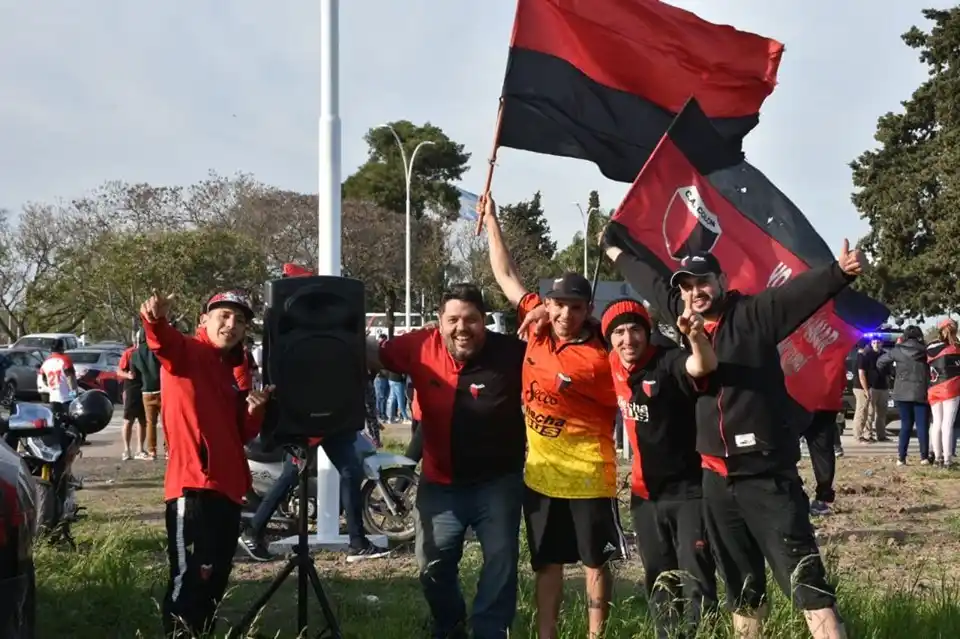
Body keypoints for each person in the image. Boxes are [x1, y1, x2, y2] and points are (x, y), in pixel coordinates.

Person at [577, 231, 865, 639]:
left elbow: (794, 296)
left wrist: (838, 272)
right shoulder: (684, 314)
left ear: (722, 280)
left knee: (807, 584)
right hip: (714, 480)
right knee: (742, 590)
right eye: (688, 286)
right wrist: (613, 249)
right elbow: (650, 281)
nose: (695, 292)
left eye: (703, 282)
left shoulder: (753, 315)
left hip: (765, 475)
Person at [481, 195, 624, 639]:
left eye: (575, 307)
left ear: (588, 310)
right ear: (547, 303)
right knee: (546, 562)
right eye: (557, 304)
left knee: (595, 564)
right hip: (541, 479)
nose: (564, 314)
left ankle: (595, 635)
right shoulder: (534, 326)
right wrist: (491, 222)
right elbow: (505, 275)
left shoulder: (603, 353)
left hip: (590, 479)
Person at [367, 283, 527, 639]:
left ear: (484, 321)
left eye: (470, 319)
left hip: (497, 482)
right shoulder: (419, 345)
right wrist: (335, 328)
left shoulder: (512, 353)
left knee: (501, 561)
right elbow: (374, 354)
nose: (461, 328)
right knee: (432, 565)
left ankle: (489, 629)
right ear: (438, 322)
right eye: (452, 319)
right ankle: (450, 623)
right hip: (440, 484)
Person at [140, 289, 273, 638]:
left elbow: (238, 434)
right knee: (190, 579)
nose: (231, 325)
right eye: (224, 316)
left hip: (228, 492)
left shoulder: (228, 371)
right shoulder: (187, 351)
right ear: (204, 321)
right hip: (193, 487)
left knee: (215, 580)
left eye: (240, 320)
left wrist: (253, 410)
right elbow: (161, 341)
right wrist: (154, 319)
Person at [237, 265, 390, 564]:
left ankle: (358, 542)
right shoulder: (286, 332)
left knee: (350, 470)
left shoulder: (332, 334)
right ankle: (253, 531)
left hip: (337, 417)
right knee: (291, 476)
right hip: (303, 418)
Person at [601, 297, 719, 639]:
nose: (628, 339)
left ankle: (701, 634)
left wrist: (696, 338)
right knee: (659, 579)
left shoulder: (667, 361)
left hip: (688, 493)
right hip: (644, 495)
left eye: (635, 330)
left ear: (647, 332)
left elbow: (702, 367)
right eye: (619, 332)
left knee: (696, 577)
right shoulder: (611, 361)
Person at [878, 325, 931, 466]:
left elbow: (880, 362)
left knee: (906, 425)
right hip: (921, 391)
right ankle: (924, 457)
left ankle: (901, 458)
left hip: (901, 391)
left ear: (905, 335)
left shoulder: (898, 350)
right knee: (922, 426)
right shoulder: (925, 351)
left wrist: (891, 375)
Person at [927, 318, 960, 467]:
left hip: (933, 387)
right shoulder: (957, 348)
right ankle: (948, 459)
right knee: (948, 424)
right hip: (951, 388)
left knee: (936, 423)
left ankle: (937, 457)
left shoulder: (930, 346)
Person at [131, 335, 164, 460]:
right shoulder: (156, 350)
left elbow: (134, 374)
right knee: (165, 422)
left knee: (150, 423)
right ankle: (167, 450)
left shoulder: (135, 354)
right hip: (161, 388)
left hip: (146, 390)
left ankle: (152, 451)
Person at [854, 337, 890, 442]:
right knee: (868, 412)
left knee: (881, 413)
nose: (875, 344)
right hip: (871, 387)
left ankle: (881, 435)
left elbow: (889, 371)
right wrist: (866, 389)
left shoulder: (885, 355)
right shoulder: (865, 356)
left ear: (881, 343)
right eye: (873, 342)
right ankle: (866, 434)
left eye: (878, 342)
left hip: (883, 387)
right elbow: (862, 374)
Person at [117, 339, 148, 460]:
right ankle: (126, 449)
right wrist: (128, 375)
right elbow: (119, 371)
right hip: (131, 388)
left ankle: (140, 449)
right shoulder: (129, 352)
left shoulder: (148, 353)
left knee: (143, 420)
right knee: (128, 420)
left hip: (145, 388)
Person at [39, 339, 78, 423]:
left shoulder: (46, 362)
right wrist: (74, 394)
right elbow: (70, 378)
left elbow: (44, 379)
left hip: (53, 398)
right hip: (66, 398)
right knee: (71, 422)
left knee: (57, 423)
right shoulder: (65, 359)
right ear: (62, 348)